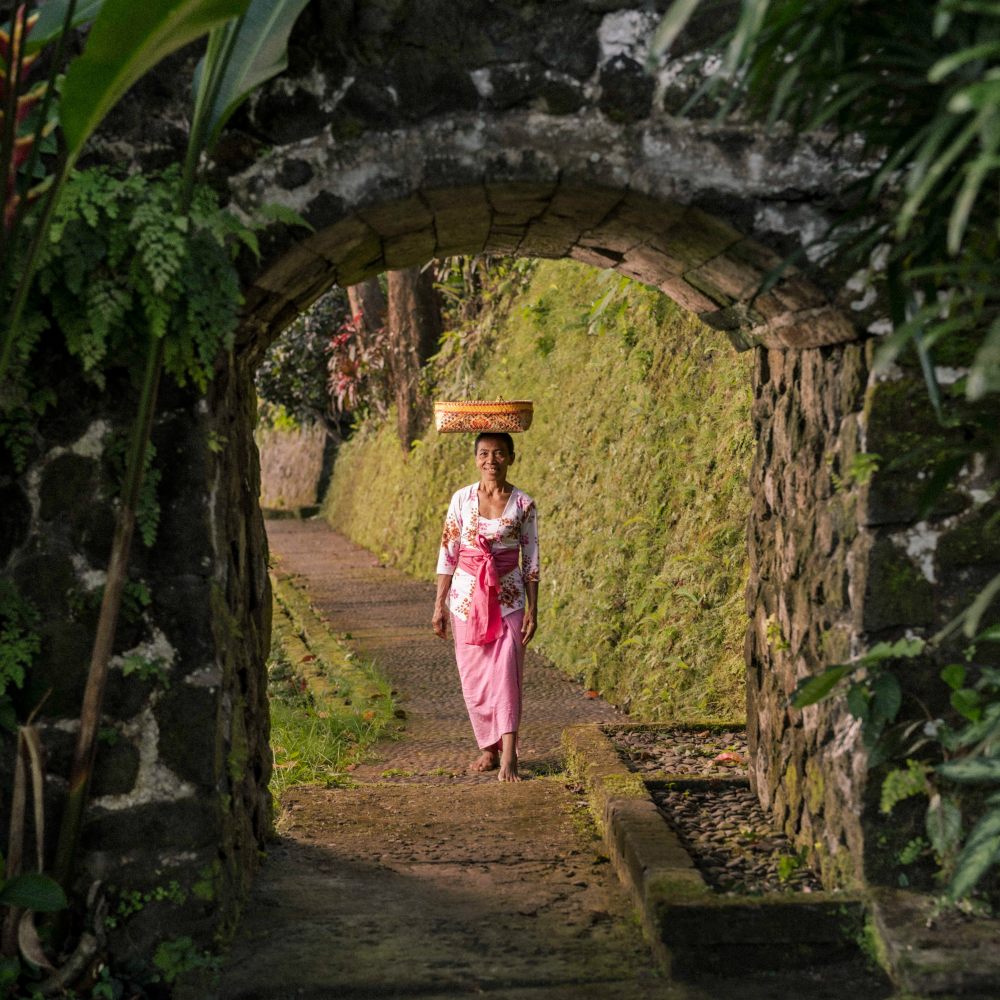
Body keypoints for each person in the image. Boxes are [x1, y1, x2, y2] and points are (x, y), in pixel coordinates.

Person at [432, 432, 539, 782]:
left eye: (498, 453)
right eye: (483, 454)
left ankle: (509, 753)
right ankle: (487, 748)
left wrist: (534, 610)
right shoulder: (461, 500)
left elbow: (531, 560)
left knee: (507, 671)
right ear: (476, 458)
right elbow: (448, 552)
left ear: (511, 457)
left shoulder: (523, 504)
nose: (490, 460)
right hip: (465, 599)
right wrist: (439, 606)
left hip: (508, 599)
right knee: (475, 678)